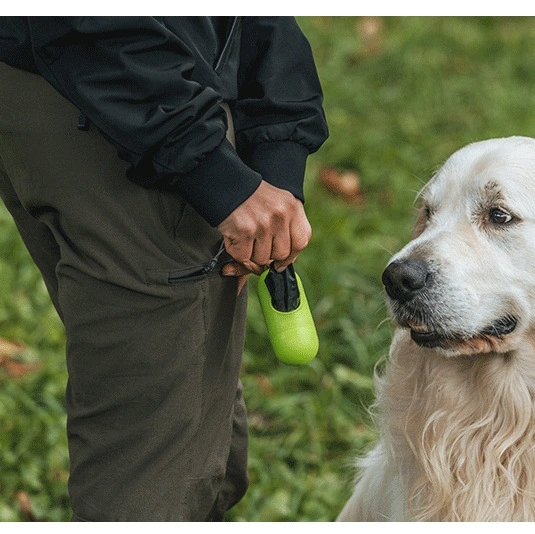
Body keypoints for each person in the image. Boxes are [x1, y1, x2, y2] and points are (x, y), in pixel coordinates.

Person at [0, 16, 328, 521]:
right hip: (126, 94)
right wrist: (207, 165)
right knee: (156, 471)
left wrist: (277, 152)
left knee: (188, 403)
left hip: (68, 74)